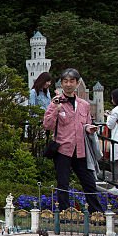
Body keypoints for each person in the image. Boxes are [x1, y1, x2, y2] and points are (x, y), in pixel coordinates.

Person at [43, 68, 104, 214]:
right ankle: (64, 213)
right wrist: (56, 109)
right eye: (65, 81)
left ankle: (97, 214)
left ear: (77, 83)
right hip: (63, 149)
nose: (68, 84)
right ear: (61, 84)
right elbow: (47, 125)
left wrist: (89, 128)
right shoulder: (56, 102)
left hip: (81, 150)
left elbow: (86, 122)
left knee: (89, 183)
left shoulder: (84, 104)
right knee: (62, 183)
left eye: (72, 81)